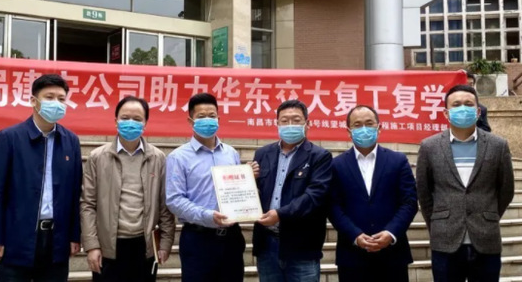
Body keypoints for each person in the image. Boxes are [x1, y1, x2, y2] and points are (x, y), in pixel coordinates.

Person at [0, 74, 82, 282]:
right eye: (49, 97)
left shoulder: (71, 141)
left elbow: (74, 193)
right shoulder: (9, 138)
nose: (56, 103)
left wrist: (74, 235)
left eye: (61, 99)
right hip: (16, 239)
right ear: (33, 101)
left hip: (56, 241)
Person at [416, 85, 514, 282]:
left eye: (469, 104)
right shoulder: (429, 146)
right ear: (446, 113)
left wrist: (488, 215)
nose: (463, 108)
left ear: (478, 111)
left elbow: (506, 189)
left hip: (486, 239)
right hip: (445, 240)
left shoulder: (498, 145)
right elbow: (424, 192)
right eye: (456, 104)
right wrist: (438, 221)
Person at [165, 93, 258, 282]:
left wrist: (248, 178)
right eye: (201, 116)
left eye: (212, 115)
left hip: (231, 238)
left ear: (218, 119)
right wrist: (207, 216)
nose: (207, 120)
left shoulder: (231, 153)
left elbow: (237, 191)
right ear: (190, 121)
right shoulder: (178, 157)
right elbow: (174, 200)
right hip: (198, 239)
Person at [81, 96, 175, 282]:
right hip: (108, 247)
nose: (130, 123)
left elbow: (164, 204)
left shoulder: (157, 158)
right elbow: (87, 204)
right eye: (125, 118)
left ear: (145, 123)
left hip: (144, 246)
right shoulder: (98, 157)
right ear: (116, 121)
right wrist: (92, 245)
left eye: (137, 119)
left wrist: (165, 242)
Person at [328, 105, 418, 282]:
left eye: (369, 124)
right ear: (348, 131)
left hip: (392, 255)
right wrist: (355, 235)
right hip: (352, 255)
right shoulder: (336, 165)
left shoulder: (398, 161)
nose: (364, 129)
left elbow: (409, 202)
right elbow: (333, 206)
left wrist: (390, 233)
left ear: (379, 127)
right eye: (357, 125)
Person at [252, 100, 333, 282]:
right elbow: (256, 192)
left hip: (302, 246)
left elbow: (314, 196)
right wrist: (249, 178)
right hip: (267, 244)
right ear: (277, 124)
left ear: (307, 123)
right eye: (284, 120)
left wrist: (280, 214)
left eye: (296, 120)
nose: (290, 125)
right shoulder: (262, 154)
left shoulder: (320, 156)